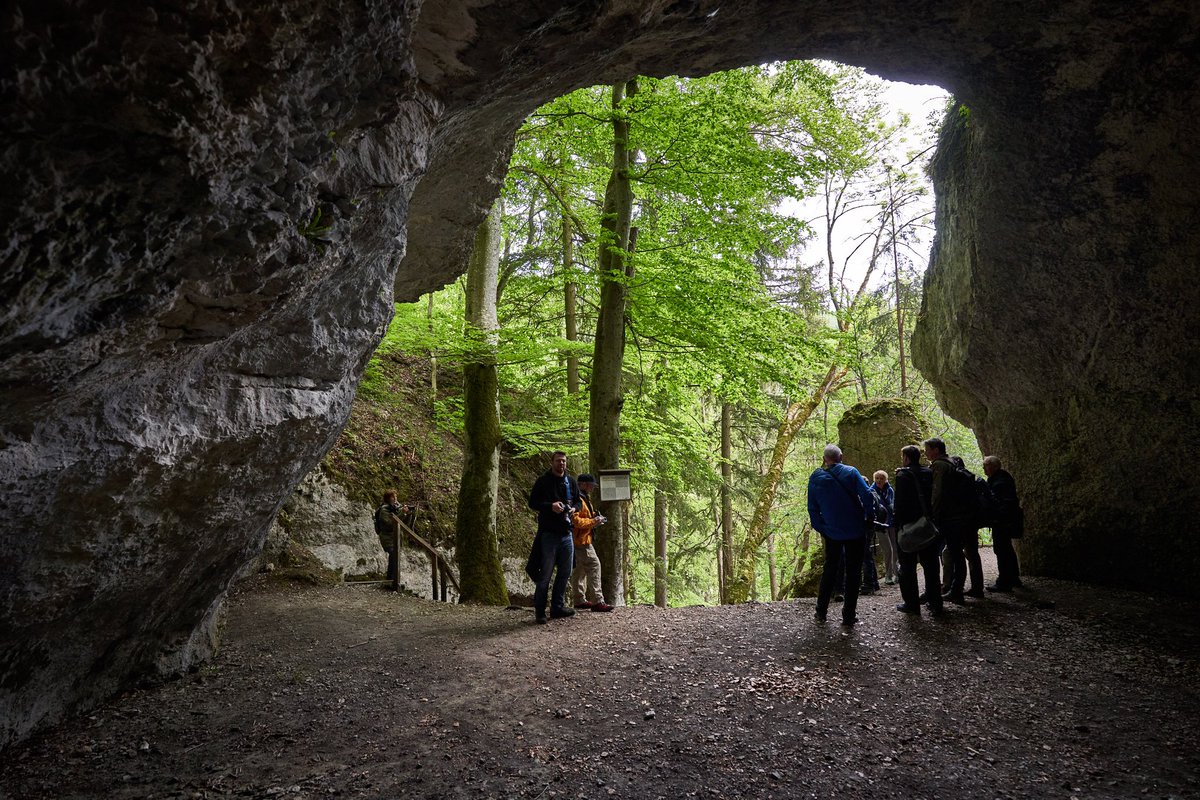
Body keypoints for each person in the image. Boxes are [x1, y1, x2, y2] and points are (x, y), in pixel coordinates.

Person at [807, 444, 876, 627]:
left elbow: (812, 508)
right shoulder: (852, 472)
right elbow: (867, 495)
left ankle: (821, 612)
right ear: (841, 457)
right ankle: (848, 615)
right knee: (854, 572)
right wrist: (869, 517)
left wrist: (822, 527)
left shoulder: (815, 477)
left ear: (825, 459)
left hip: (831, 532)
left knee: (830, 570)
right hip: (855, 530)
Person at [527, 451, 580, 624]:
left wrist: (574, 509)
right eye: (558, 461)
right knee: (545, 575)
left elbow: (579, 501)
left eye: (564, 461)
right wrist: (550, 506)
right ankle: (540, 610)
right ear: (552, 462)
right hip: (549, 534)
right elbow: (533, 503)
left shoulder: (571, 482)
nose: (561, 464)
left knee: (565, 572)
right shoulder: (543, 481)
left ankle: (557, 607)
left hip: (567, 534)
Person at [893, 445, 943, 616]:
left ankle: (912, 604)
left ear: (906, 457)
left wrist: (898, 524)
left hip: (909, 526)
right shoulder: (929, 472)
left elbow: (899, 504)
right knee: (931, 566)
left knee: (907, 567)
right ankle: (936, 603)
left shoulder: (903, 475)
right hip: (928, 525)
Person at [923, 437, 974, 605]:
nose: (926, 453)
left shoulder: (939, 465)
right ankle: (955, 589)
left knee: (938, 554)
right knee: (956, 554)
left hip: (947, 518)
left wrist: (932, 516)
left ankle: (943, 590)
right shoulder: (952, 463)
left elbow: (936, 493)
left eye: (927, 449)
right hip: (958, 516)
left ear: (936, 450)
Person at [570, 474, 614, 612]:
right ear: (583, 484)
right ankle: (597, 601)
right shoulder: (577, 499)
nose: (592, 488)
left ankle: (579, 599)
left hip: (579, 539)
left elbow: (584, 516)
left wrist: (594, 516)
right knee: (594, 565)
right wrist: (593, 522)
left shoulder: (582, 497)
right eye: (590, 486)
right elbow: (576, 521)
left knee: (580, 570)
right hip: (581, 540)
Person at [983, 455, 1024, 591]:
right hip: (1006, 519)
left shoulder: (1000, 481)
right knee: (1006, 548)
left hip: (1002, 521)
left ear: (994, 466)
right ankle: (1013, 578)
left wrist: (996, 516)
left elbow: (1002, 503)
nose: (984, 468)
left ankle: (1004, 582)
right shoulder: (1001, 478)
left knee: (1001, 549)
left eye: (986, 465)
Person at [950, 455, 985, 598]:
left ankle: (955, 588)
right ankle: (977, 587)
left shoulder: (958, 478)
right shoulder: (970, 477)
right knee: (972, 553)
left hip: (961, 520)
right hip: (972, 520)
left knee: (957, 554)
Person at [373, 490, 409, 583]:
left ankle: (391, 579)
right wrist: (402, 513)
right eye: (393, 497)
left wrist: (406, 513)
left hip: (394, 537)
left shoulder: (394, 508)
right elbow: (389, 524)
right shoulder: (384, 510)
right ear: (388, 498)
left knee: (394, 556)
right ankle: (391, 579)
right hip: (387, 537)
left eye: (395, 496)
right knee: (393, 555)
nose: (395, 498)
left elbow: (402, 522)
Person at [871, 470, 899, 585]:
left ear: (885, 479)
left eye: (881, 478)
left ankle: (897, 574)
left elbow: (891, 503)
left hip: (891, 522)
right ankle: (888, 575)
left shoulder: (890, 490)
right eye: (877, 478)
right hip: (880, 524)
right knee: (887, 550)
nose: (879, 480)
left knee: (895, 549)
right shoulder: (872, 491)